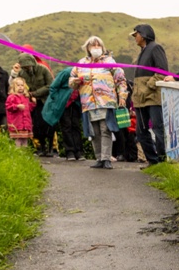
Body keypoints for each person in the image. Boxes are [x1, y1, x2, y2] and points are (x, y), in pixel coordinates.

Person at [70, 36, 128, 170]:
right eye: (93, 46)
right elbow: (71, 80)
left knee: (105, 129)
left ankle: (106, 158)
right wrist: (75, 82)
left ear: (102, 47)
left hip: (106, 102)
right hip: (88, 103)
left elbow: (120, 80)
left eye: (98, 45)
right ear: (88, 48)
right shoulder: (81, 63)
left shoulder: (109, 61)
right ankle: (99, 158)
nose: (96, 48)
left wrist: (122, 97)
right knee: (94, 131)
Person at [130, 23, 167, 167]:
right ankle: (153, 161)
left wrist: (149, 87)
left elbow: (162, 71)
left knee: (158, 129)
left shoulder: (155, 48)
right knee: (141, 132)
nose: (135, 38)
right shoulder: (142, 52)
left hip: (152, 98)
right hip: (141, 100)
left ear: (143, 34)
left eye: (136, 34)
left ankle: (163, 161)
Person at [10, 53, 53, 156]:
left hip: (45, 101)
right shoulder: (22, 73)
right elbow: (18, 86)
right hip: (31, 103)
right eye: (24, 66)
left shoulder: (43, 69)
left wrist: (34, 93)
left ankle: (51, 148)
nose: (27, 68)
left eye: (28, 66)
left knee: (48, 125)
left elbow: (50, 85)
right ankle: (41, 147)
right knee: (36, 126)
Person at [43, 67, 83, 161]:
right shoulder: (66, 72)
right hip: (63, 104)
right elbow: (53, 87)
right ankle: (70, 152)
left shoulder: (84, 74)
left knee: (76, 126)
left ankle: (79, 152)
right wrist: (57, 100)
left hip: (75, 103)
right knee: (66, 126)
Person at [5, 77, 35, 147]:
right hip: (16, 123)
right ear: (14, 86)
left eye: (22, 85)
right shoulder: (11, 97)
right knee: (18, 140)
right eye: (18, 85)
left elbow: (28, 109)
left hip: (25, 123)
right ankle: (18, 155)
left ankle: (24, 155)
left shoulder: (26, 97)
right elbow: (8, 107)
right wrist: (17, 106)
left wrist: (33, 103)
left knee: (25, 140)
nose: (20, 87)